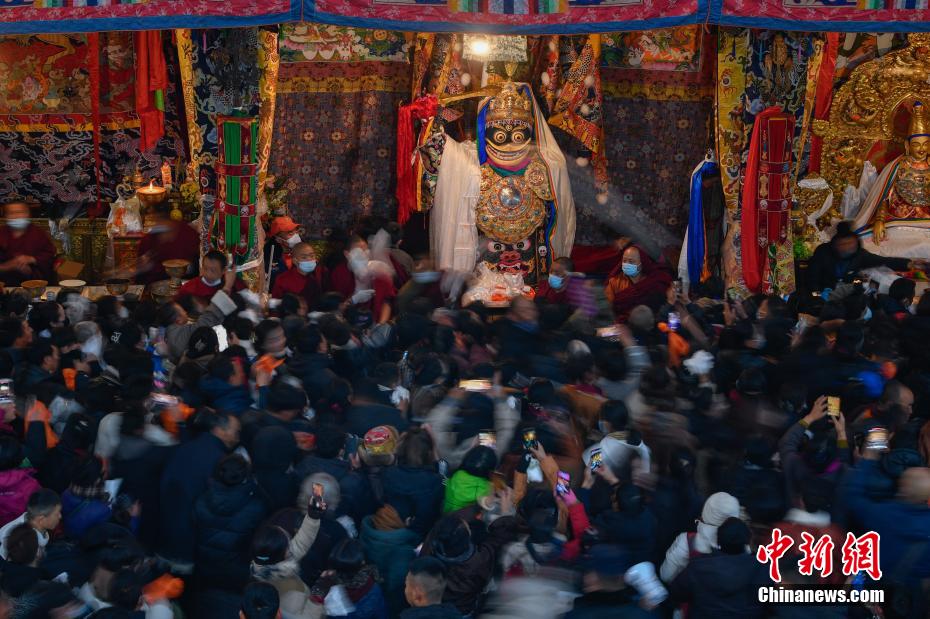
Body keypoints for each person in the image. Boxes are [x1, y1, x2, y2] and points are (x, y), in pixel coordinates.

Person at [158, 410, 240, 573]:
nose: (238, 437)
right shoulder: (220, 461)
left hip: (164, 532)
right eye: (236, 432)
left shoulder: (183, 448)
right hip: (191, 541)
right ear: (219, 430)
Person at [669, 517, 770, 619]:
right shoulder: (762, 568)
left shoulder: (698, 567)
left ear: (718, 540)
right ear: (747, 541)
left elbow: (676, 593)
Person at [805, 221, 926, 293]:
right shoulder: (823, 252)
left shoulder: (860, 255)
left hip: (846, 292)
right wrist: (817, 295)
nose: (847, 247)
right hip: (823, 290)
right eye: (843, 244)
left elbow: (883, 261)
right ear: (835, 244)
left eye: (850, 243)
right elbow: (812, 277)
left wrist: (910, 264)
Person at [329, 235, 397, 325]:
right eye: (358, 252)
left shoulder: (378, 269)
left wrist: (381, 325)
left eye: (366, 251)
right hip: (346, 323)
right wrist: (353, 299)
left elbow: (387, 300)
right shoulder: (339, 273)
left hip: (376, 322)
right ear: (347, 254)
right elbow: (335, 309)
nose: (364, 255)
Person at [135, 201, 200, 285]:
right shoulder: (149, 239)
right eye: (155, 220)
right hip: (156, 284)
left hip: (184, 282)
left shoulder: (187, 232)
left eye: (160, 219)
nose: (157, 223)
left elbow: (196, 261)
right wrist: (144, 266)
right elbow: (141, 268)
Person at [604, 245, 673, 323]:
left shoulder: (652, 282)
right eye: (624, 261)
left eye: (631, 261)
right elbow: (608, 310)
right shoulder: (614, 282)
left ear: (641, 264)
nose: (626, 264)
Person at [0, 201, 56, 287]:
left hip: (35, 283)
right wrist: (9, 266)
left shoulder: (38, 234)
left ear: (28, 214)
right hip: (5, 284)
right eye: (11, 213)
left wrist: (32, 259)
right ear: (6, 216)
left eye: (20, 212)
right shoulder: (1, 234)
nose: (16, 216)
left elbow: (49, 256)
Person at [0, 488, 61, 560]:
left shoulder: (32, 521)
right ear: (41, 519)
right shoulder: (21, 543)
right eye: (57, 514)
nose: (60, 516)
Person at [271, 241, 328, 309]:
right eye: (304, 257)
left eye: (312, 256)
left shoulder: (320, 273)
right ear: (295, 261)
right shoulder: (283, 279)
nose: (309, 259)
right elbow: (276, 303)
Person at [174, 250, 247, 302]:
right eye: (205, 268)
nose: (208, 274)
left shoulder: (234, 284)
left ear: (224, 270)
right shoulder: (189, 288)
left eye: (213, 270)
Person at [264, 215, 303, 290]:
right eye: (290, 233)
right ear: (278, 238)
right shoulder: (269, 254)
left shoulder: (302, 250)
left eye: (296, 231)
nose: (296, 235)